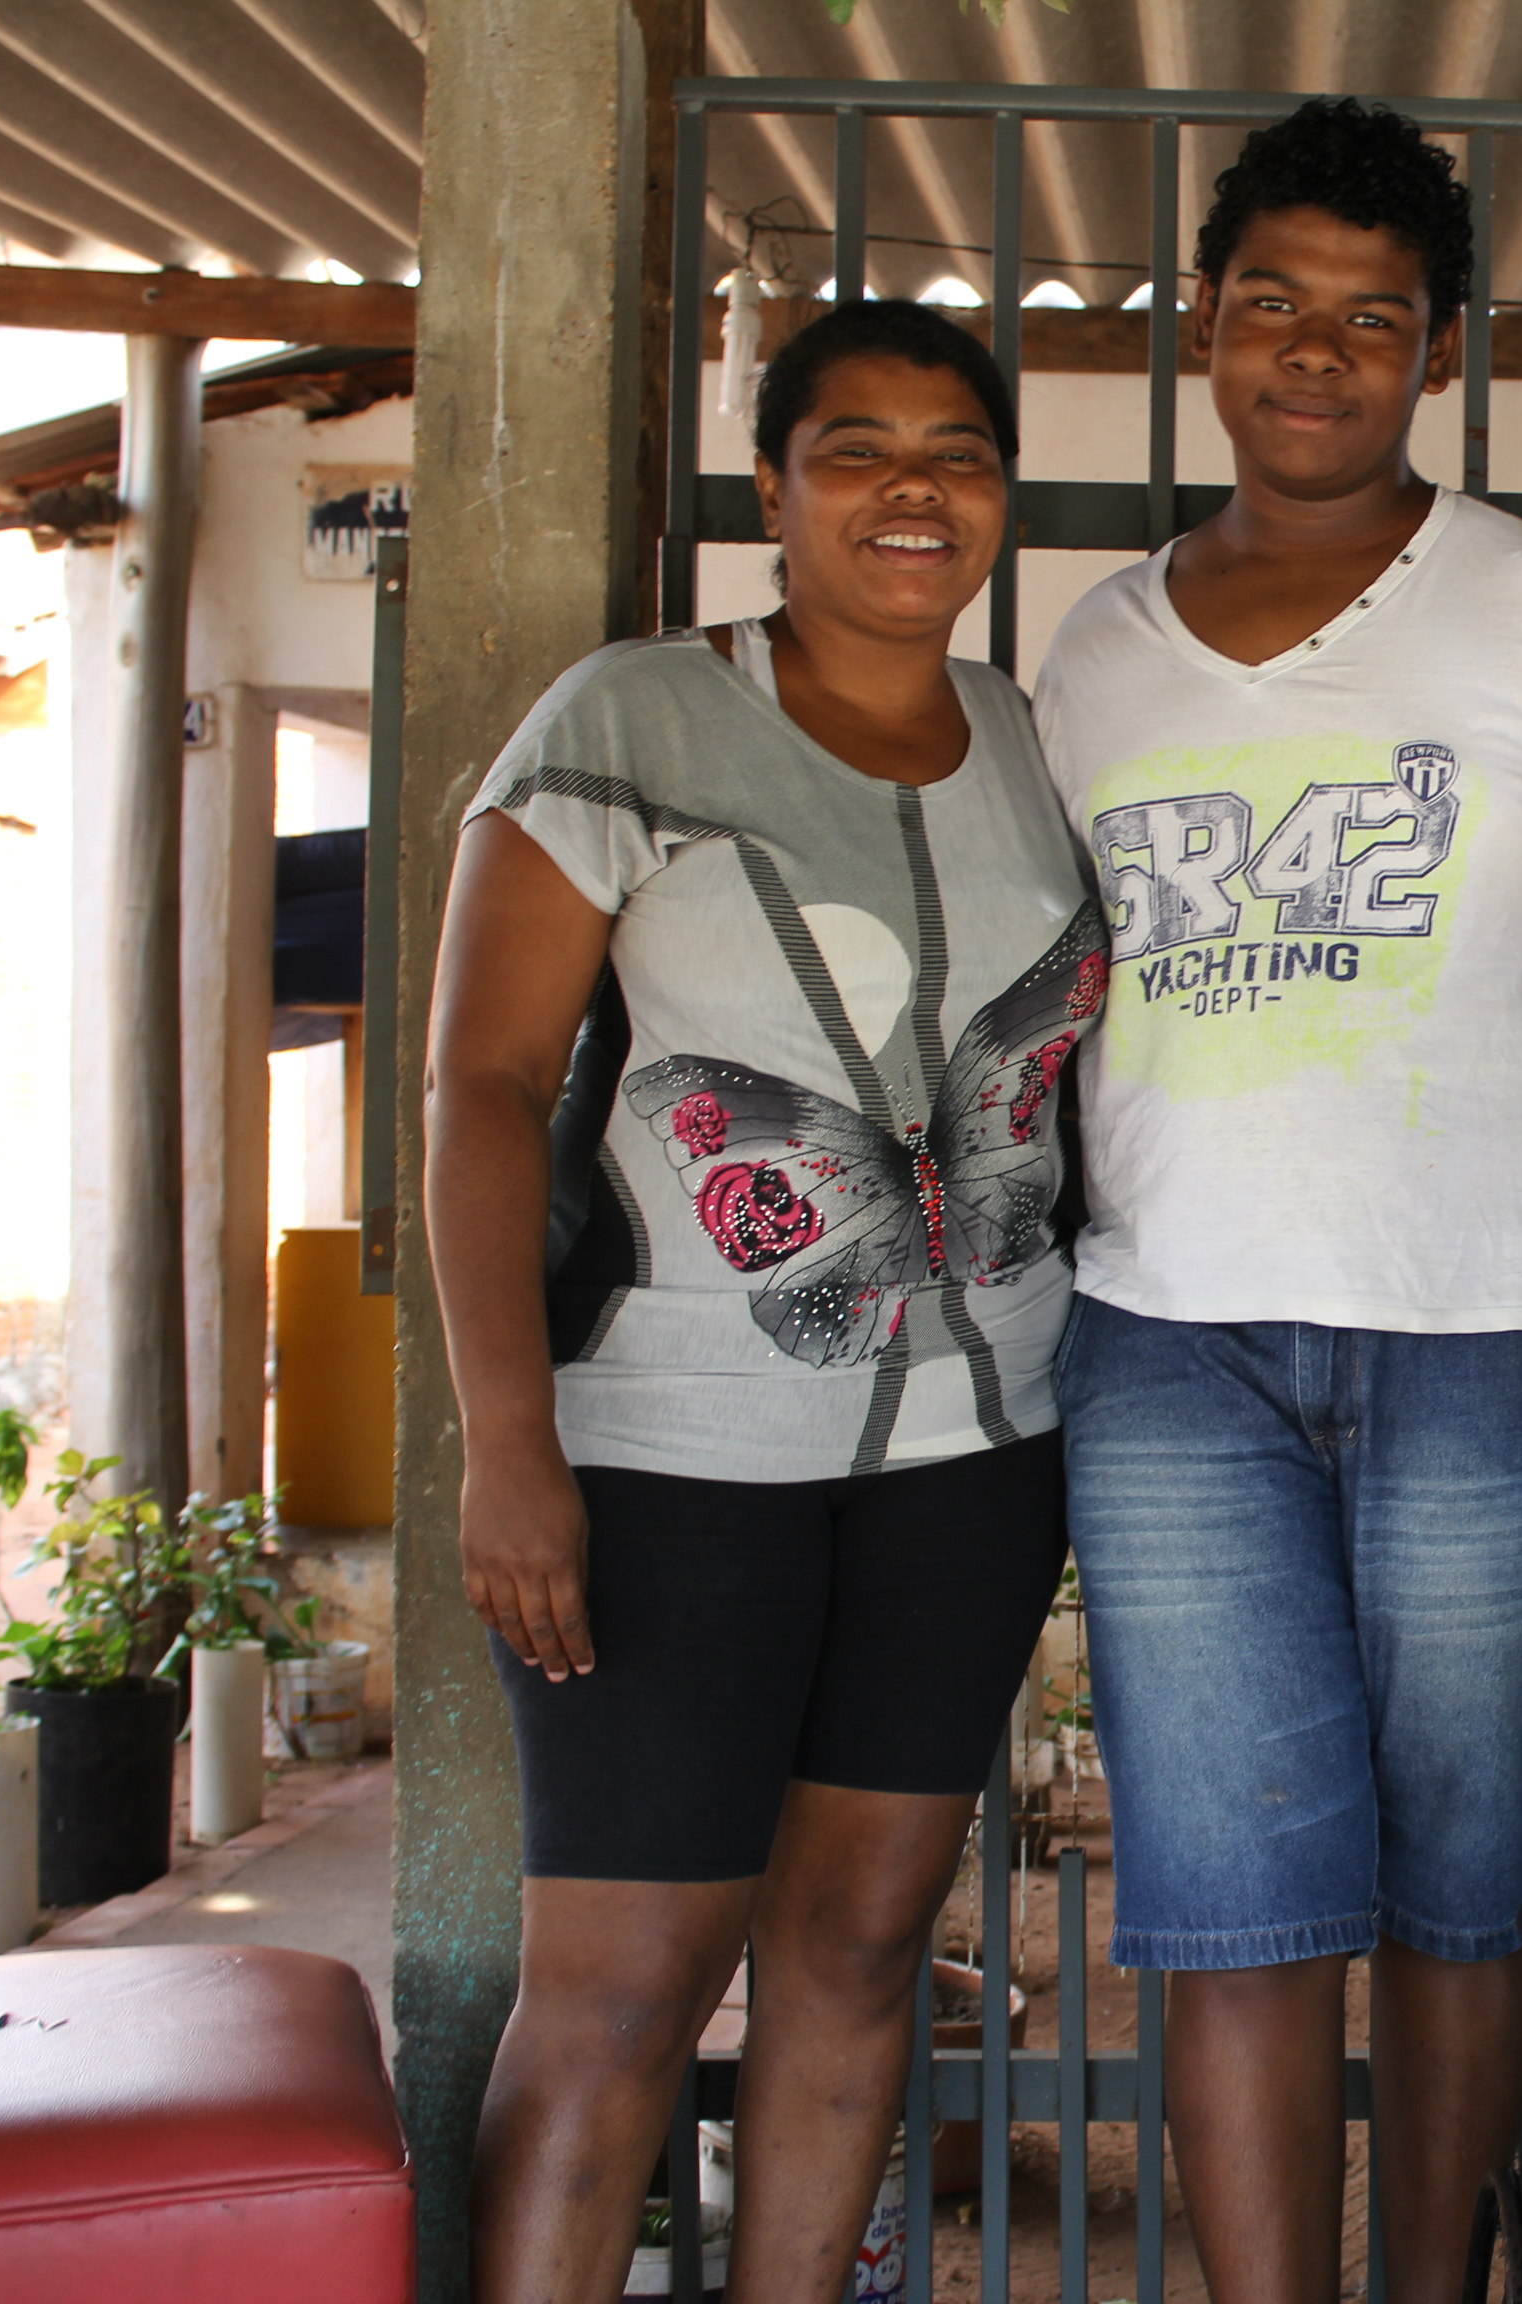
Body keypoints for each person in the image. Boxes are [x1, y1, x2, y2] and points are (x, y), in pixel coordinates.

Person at [1029, 98, 1522, 2304]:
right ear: (1203, 326)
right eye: (1273, 306)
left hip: (1497, 1340)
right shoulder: (1093, 656)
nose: (1314, 353)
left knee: (1456, 1888)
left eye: (1370, 320)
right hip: (1172, 1346)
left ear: (1438, 352)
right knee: (1227, 1907)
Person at [429, 296, 1101, 2301]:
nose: (916, 489)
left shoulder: (1044, 756)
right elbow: (474, 1090)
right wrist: (506, 1444)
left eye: (959, 453)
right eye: (859, 449)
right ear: (775, 493)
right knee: (623, 1995)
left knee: (862, 1948)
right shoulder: (627, 721)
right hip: (665, 1454)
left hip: (972, 1462)